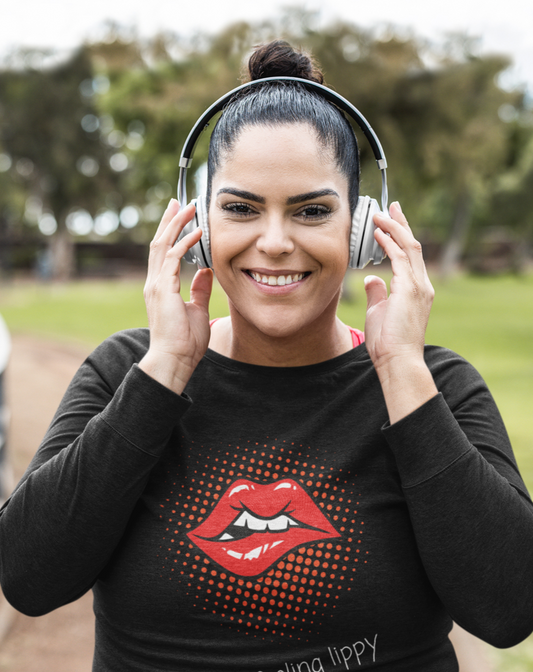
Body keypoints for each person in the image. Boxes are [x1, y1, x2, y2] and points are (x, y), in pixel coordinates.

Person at [0, 40, 532, 672]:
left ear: (360, 229)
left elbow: (507, 611)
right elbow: (29, 580)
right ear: (199, 228)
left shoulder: (435, 385)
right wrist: (166, 368)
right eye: (241, 209)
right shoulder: (124, 374)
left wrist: (400, 372)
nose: (274, 242)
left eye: (311, 211)